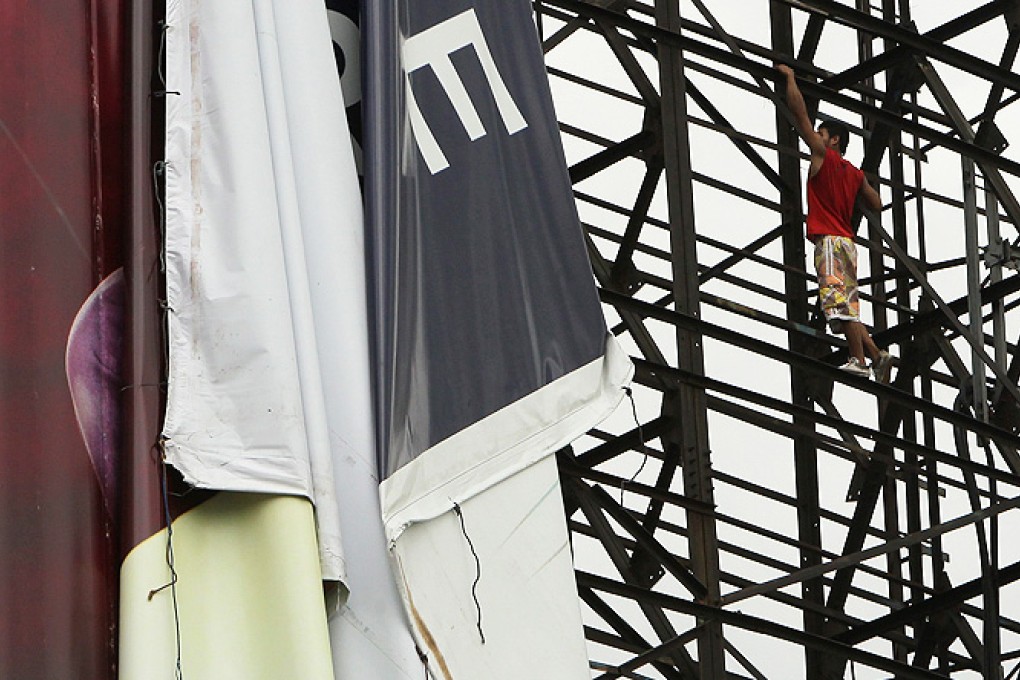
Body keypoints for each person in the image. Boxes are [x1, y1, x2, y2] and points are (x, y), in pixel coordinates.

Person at [776, 63, 893, 383]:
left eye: (823, 135)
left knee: (840, 307)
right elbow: (877, 203)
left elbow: (799, 115)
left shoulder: (823, 157)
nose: (817, 137)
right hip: (848, 244)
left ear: (834, 141)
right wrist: (855, 186)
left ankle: (858, 359)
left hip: (828, 242)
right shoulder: (854, 173)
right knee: (845, 306)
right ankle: (876, 354)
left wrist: (789, 80)